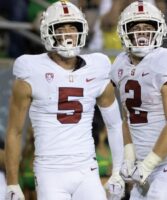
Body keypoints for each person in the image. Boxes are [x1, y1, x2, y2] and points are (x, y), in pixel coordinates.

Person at [5, 1, 125, 200]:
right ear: (48, 32)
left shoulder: (98, 66)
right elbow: (15, 131)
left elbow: (114, 124)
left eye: (73, 27)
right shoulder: (30, 69)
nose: (68, 33)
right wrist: (12, 182)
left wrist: (117, 171)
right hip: (49, 171)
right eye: (61, 28)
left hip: (87, 169)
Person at [110, 1, 167, 200]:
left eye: (148, 27)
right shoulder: (120, 64)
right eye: (136, 27)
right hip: (145, 167)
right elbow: (129, 118)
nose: (142, 33)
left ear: (159, 30)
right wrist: (130, 157)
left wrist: (146, 166)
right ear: (124, 31)